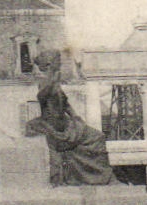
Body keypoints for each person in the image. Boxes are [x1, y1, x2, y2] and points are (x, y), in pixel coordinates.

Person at [24, 50, 115, 187]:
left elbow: (66, 104)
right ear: (49, 64)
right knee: (97, 138)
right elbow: (42, 97)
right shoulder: (44, 81)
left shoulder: (55, 81)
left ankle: (100, 175)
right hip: (54, 126)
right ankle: (98, 176)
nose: (60, 63)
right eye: (58, 61)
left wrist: (76, 117)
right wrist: (52, 83)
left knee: (98, 136)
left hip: (67, 124)